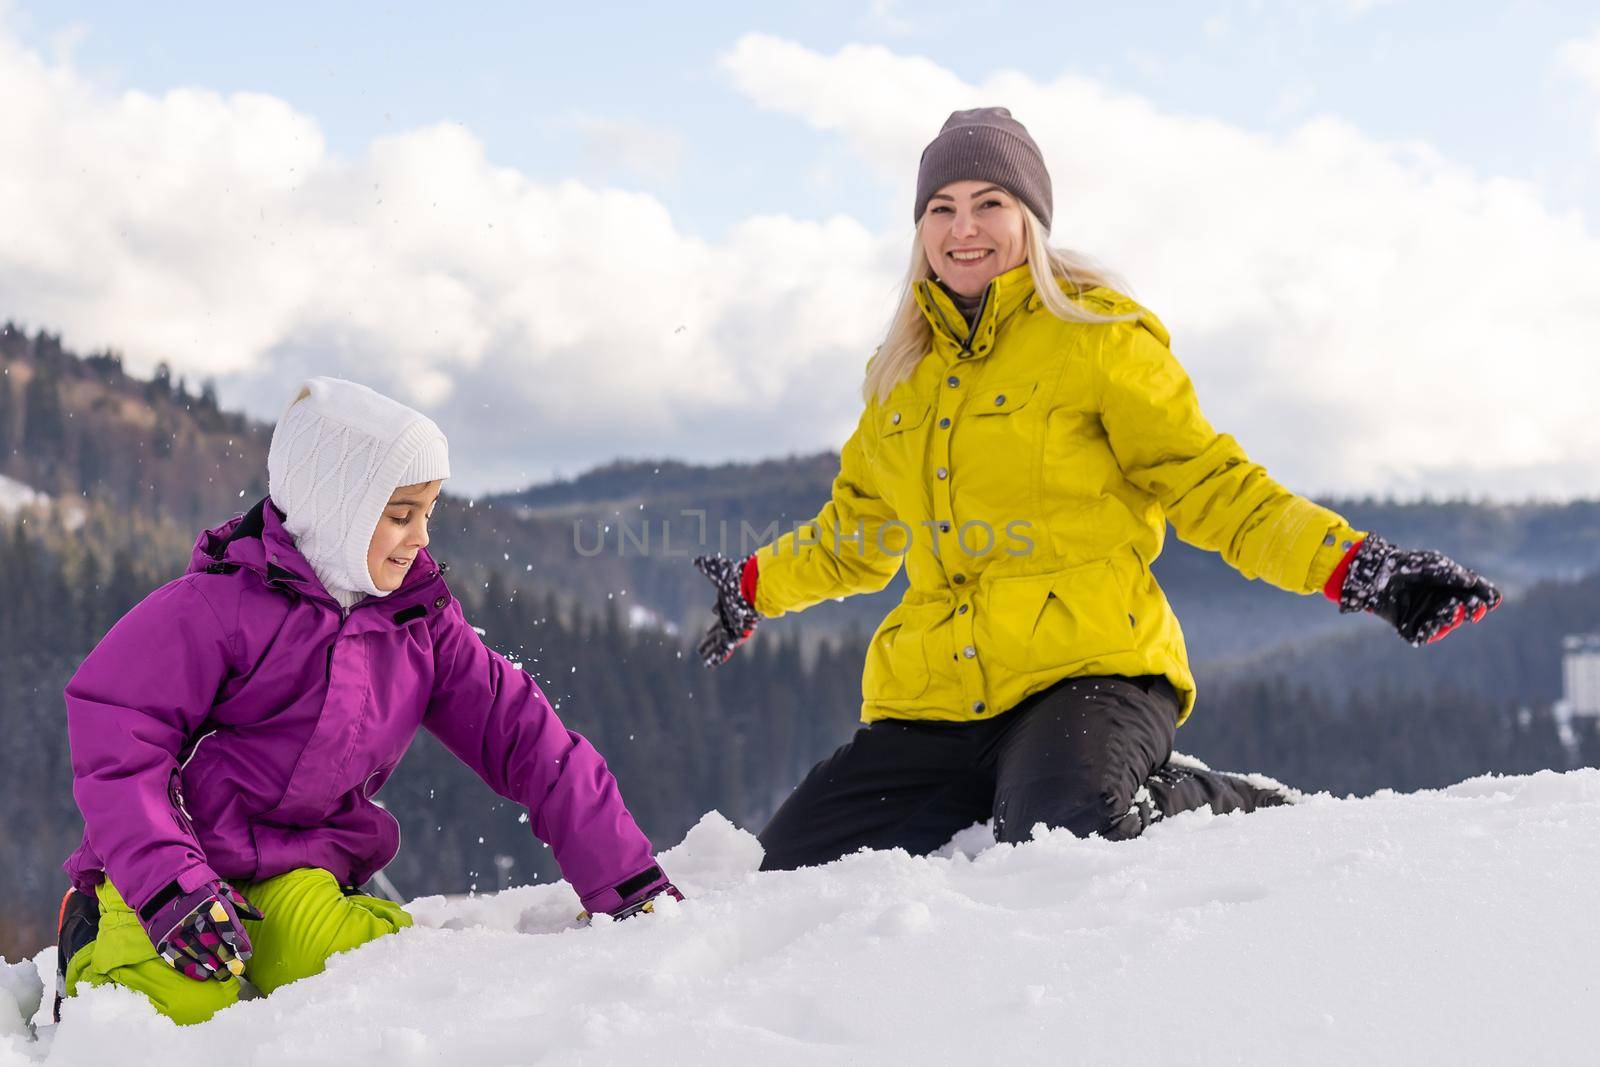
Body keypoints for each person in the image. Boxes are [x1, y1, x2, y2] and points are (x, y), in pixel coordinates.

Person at [693, 107, 1501, 871]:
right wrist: (755, 586)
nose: (962, 228)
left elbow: (1215, 486)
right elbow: (855, 538)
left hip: (1088, 674)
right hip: (938, 698)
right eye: (940, 208)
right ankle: (1014, 785)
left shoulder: (1099, 339)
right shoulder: (901, 376)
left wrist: (1357, 565)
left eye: (988, 203)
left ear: (1030, 220)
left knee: (1064, 831)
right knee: (786, 869)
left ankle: (1217, 800)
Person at [55, 377, 678, 1025]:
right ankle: (89, 942)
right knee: (179, 1006)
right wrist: (165, 882)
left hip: (287, 867)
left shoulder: (417, 623)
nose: (419, 538)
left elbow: (525, 736)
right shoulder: (217, 609)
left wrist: (622, 875)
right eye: (401, 515)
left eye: (428, 513)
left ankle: (268, 954)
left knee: (370, 976)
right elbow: (116, 733)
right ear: (335, 508)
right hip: (163, 866)